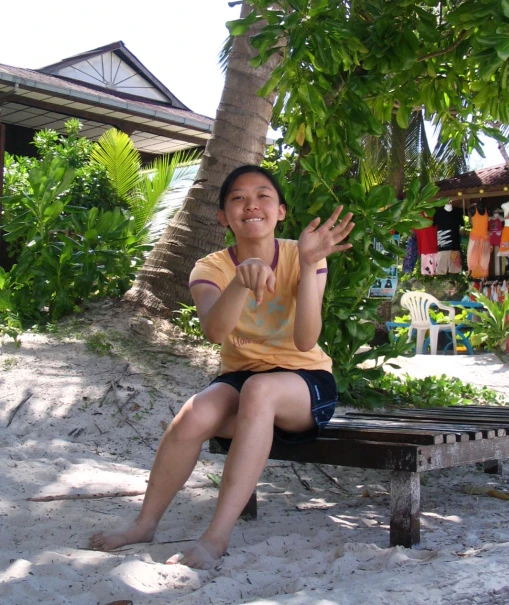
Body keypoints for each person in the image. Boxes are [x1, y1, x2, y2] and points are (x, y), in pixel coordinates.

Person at [90, 165, 354, 569]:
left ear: (280, 211)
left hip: (304, 383)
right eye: (238, 198)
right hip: (241, 377)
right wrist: (241, 281)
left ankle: (216, 537)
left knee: (260, 391)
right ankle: (144, 524)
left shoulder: (305, 256)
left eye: (263, 195)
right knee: (194, 414)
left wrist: (306, 266)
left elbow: (306, 340)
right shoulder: (210, 268)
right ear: (223, 217)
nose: (252, 204)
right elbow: (215, 332)